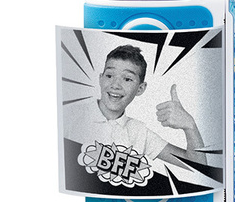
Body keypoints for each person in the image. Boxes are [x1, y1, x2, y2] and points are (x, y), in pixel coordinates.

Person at [65, 45, 206, 167]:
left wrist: (190, 126)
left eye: (127, 79)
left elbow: (198, 166)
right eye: (109, 76)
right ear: (100, 79)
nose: (115, 85)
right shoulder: (68, 116)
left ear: (140, 89)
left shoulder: (139, 133)